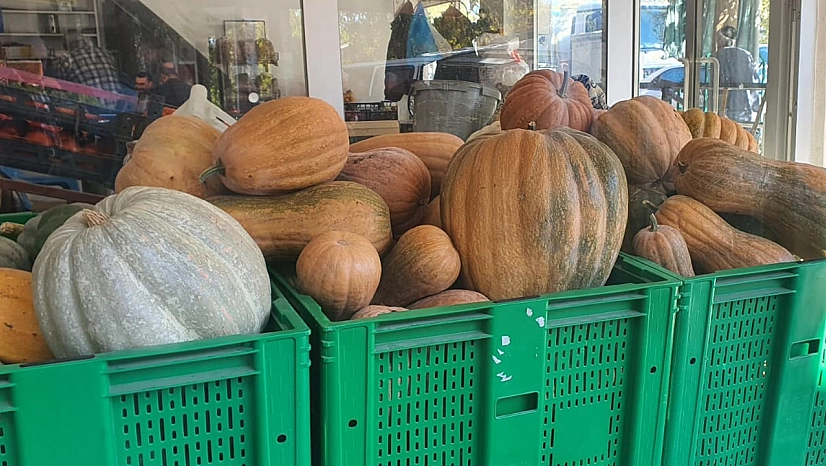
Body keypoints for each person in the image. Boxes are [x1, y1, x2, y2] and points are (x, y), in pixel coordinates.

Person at [52, 30, 120, 93]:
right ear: (84, 41)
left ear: (68, 46)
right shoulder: (106, 53)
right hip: (117, 102)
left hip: (89, 104)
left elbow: (59, 90)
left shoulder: (64, 59)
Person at [715, 26, 760, 122]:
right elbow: (753, 80)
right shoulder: (746, 55)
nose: (717, 42)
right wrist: (756, 106)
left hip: (724, 105)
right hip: (744, 106)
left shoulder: (718, 56)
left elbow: (718, 80)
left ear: (723, 39)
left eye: (718, 38)